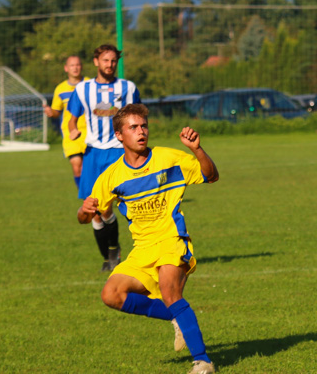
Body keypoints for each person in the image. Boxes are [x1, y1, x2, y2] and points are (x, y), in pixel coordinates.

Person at [77, 104, 219, 374]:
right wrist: (84, 212)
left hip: (171, 239)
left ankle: (203, 362)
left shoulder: (169, 158)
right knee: (111, 295)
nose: (141, 132)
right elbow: (86, 217)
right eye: (133, 127)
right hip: (142, 250)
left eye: (144, 126)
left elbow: (211, 176)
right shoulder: (111, 177)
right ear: (119, 135)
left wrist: (197, 150)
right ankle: (177, 317)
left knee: (169, 292)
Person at [67, 44, 141, 271]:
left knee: (116, 207)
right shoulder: (82, 89)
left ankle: (122, 253)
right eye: (105, 60)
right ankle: (111, 253)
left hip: (119, 153)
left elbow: (138, 116)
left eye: (113, 61)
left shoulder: (127, 88)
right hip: (93, 154)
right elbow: (72, 118)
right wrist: (72, 130)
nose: (109, 65)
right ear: (96, 62)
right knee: (93, 211)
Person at [43, 55, 89, 189]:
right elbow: (57, 111)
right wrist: (52, 113)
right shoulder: (60, 89)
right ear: (66, 68)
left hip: (90, 133)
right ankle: (86, 197)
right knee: (77, 167)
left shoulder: (90, 84)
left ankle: (98, 197)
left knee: (92, 169)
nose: (75, 68)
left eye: (78, 65)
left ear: (82, 66)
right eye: (72, 65)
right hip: (70, 134)